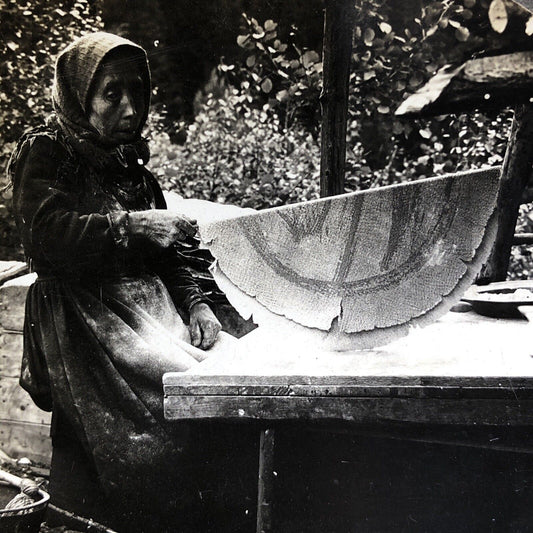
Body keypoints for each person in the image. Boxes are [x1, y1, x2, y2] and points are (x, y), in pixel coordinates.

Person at [8, 32, 258, 532]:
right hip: (86, 331)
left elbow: (173, 257)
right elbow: (45, 238)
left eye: (138, 92)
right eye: (111, 93)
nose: (129, 108)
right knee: (141, 453)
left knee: (223, 399)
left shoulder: (137, 176)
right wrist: (133, 225)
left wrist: (196, 306)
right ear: (80, 95)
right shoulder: (48, 152)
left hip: (146, 326)